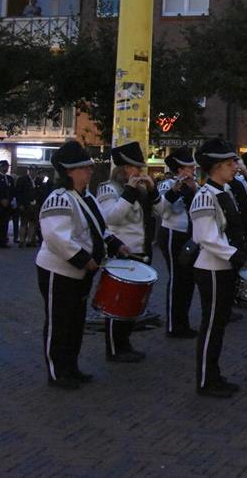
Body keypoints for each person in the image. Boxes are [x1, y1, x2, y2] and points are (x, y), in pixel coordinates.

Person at [36, 141, 128, 389]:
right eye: (84, 168)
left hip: (81, 271)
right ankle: (57, 373)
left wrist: (116, 244)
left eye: (88, 167)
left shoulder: (86, 196)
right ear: (69, 171)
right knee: (59, 322)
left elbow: (100, 229)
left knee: (75, 322)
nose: (89, 171)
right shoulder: (60, 198)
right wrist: (84, 260)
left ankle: (71, 367)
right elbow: (56, 237)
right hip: (59, 270)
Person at [190, 138, 247, 398]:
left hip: (223, 267)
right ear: (215, 167)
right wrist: (238, 256)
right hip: (212, 268)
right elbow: (206, 237)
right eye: (229, 163)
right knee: (213, 324)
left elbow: (228, 229)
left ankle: (213, 374)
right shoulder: (205, 196)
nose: (235, 167)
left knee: (219, 323)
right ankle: (206, 379)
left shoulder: (221, 193)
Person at [97, 142, 160, 363]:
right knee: (118, 302)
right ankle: (114, 348)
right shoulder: (108, 188)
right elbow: (111, 218)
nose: (140, 172)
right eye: (136, 168)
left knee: (134, 302)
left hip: (141, 252)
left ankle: (125, 343)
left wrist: (152, 191)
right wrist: (130, 191)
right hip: (121, 252)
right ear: (125, 168)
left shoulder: (142, 190)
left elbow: (161, 212)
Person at [156, 147, 199, 338]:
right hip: (173, 233)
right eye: (190, 167)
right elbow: (163, 210)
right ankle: (174, 325)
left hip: (188, 235)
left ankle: (183, 322)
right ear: (180, 170)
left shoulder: (194, 184)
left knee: (188, 280)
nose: (193, 170)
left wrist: (193, 190)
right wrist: (176, 190)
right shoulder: (167, 185)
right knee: (177, 279)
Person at [15, 166, 40, 247]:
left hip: (35, 205)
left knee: (33, 223)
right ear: (28, 171)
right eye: (32, 170)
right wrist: (20, 204)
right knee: (23, 223)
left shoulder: (38, 180)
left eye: (35, 170)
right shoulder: (22, 180)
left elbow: (41, 193)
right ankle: (21, 240)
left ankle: (30, 240)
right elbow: (18, 193)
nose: (33, 172)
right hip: (25, 205)